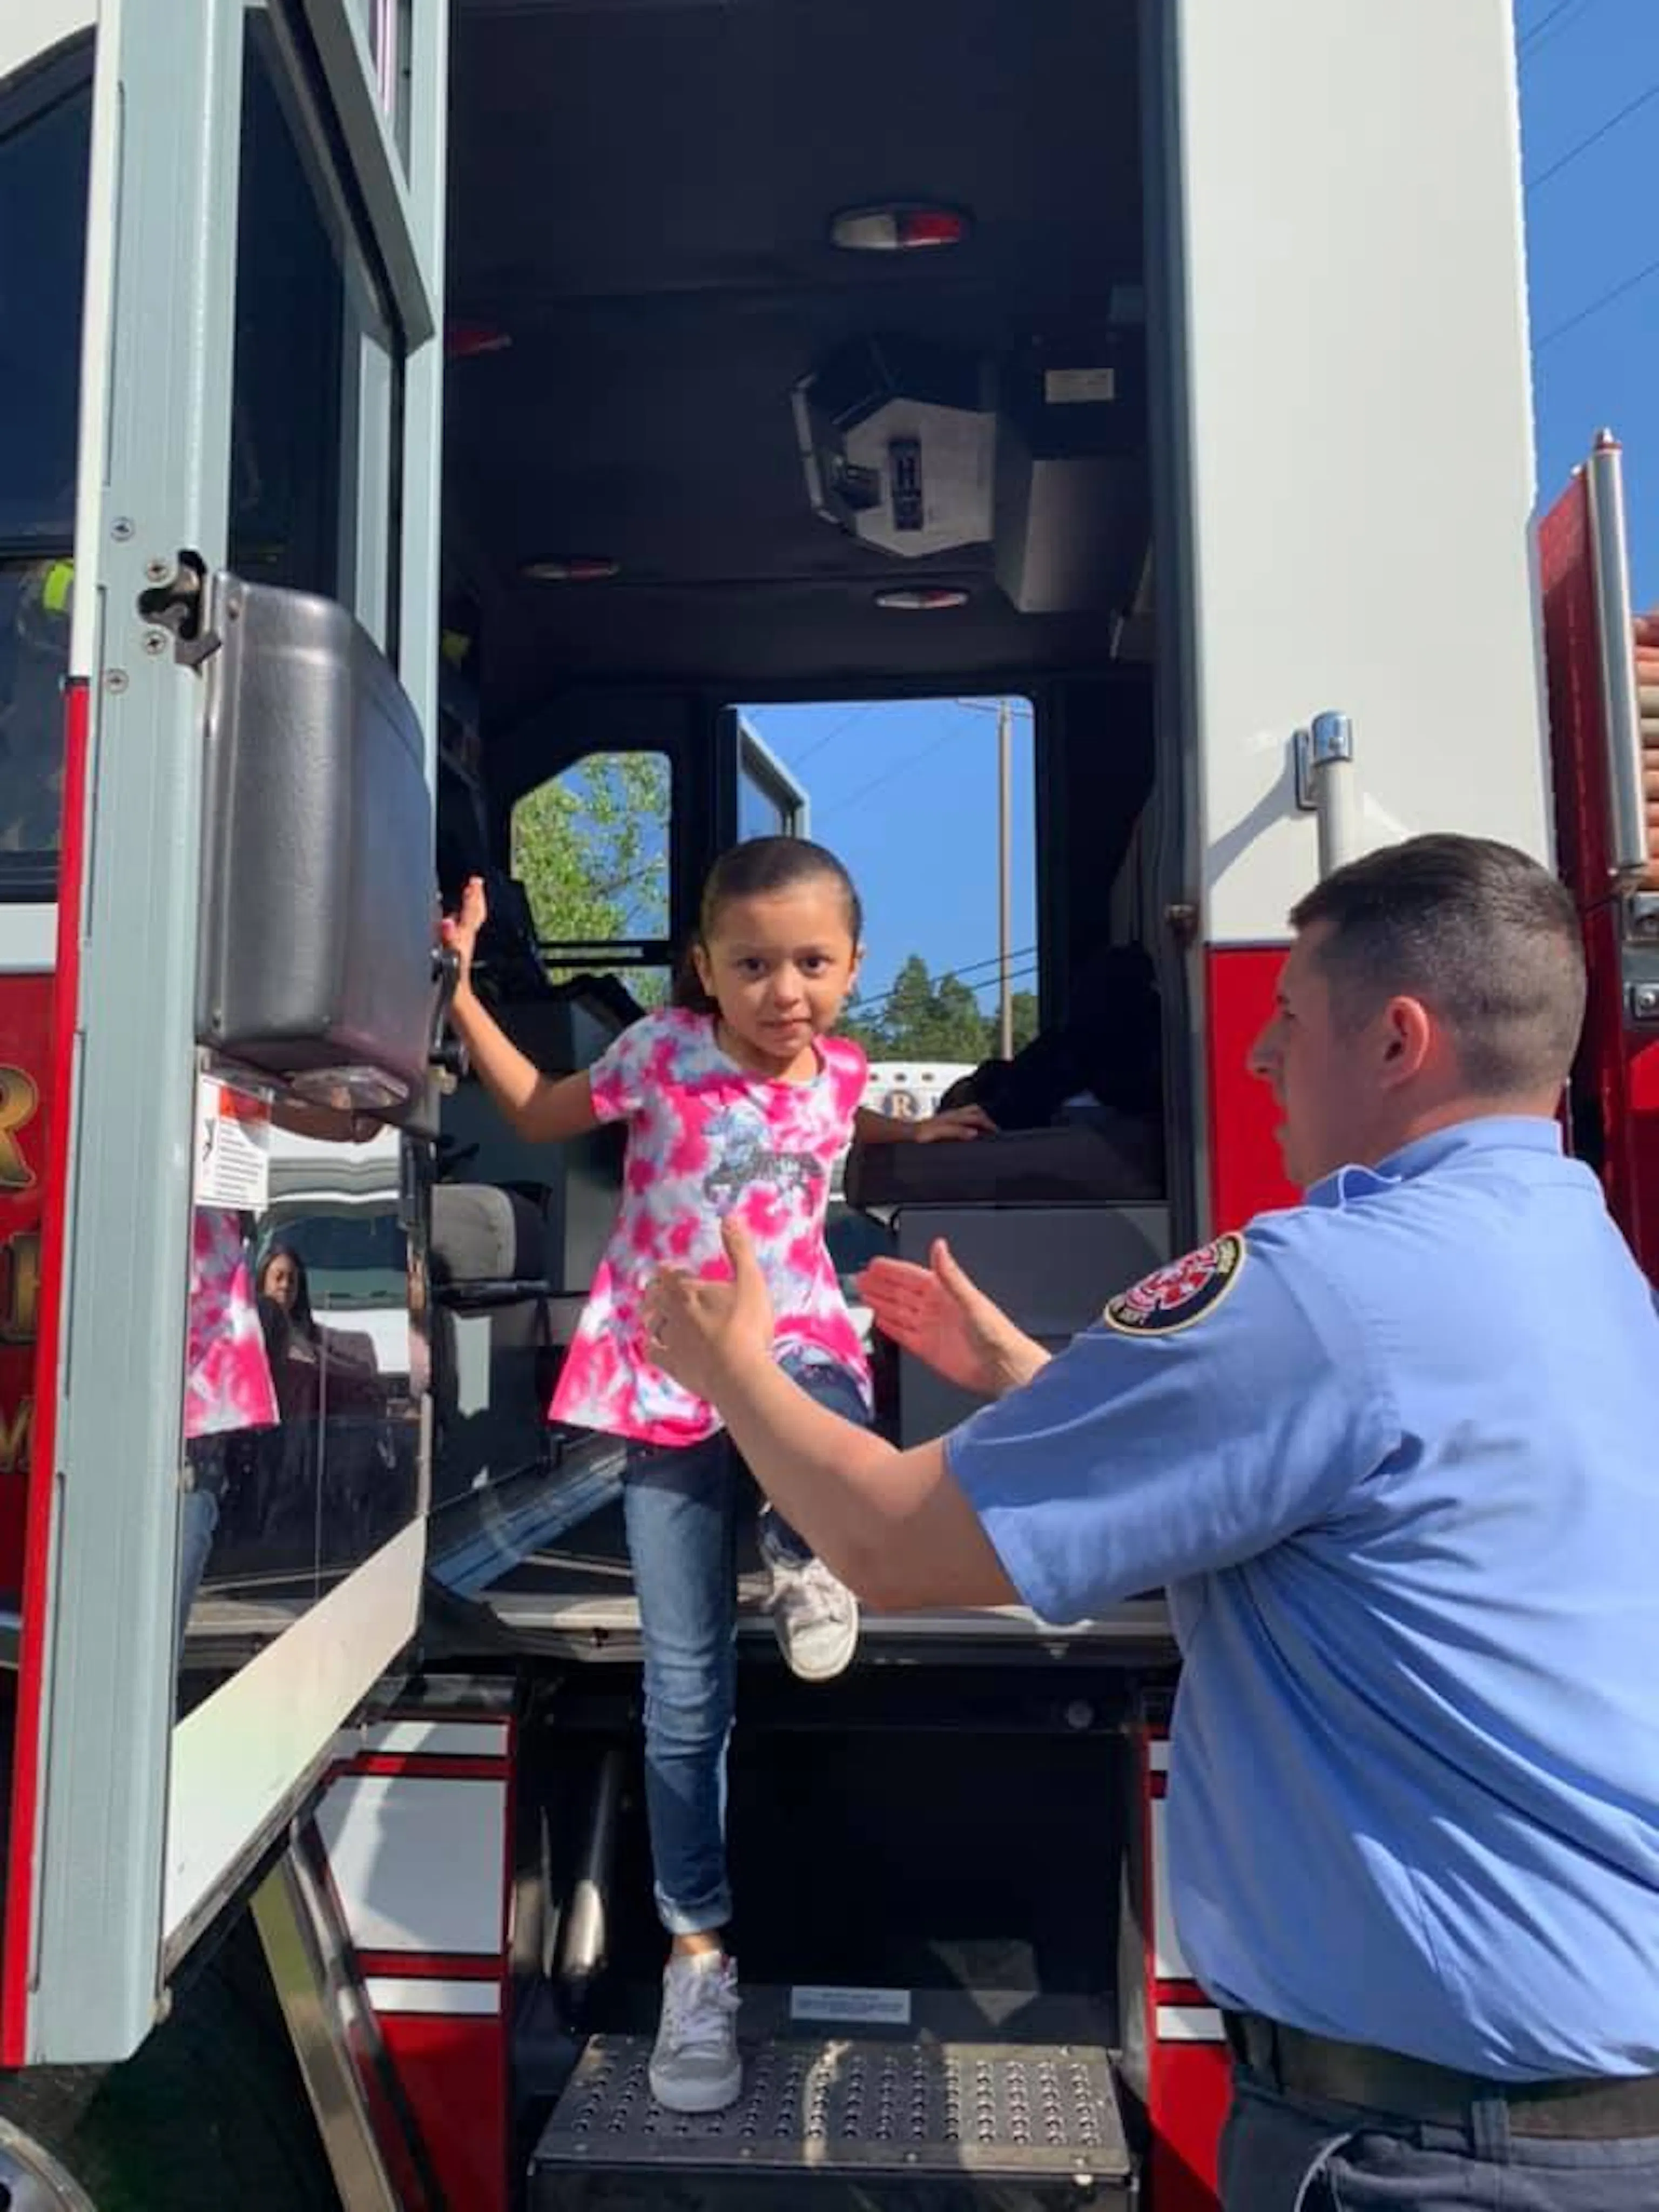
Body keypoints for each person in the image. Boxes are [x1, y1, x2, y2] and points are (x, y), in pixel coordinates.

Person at [643, 833, 1659, 2212]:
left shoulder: (1321, 1290)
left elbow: (884, 1544)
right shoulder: (1578, 1258)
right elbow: (1319, 1477)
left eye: (1288, 1016)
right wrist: (1030, 1379)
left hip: (1433, 2148)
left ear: (1398, 1039)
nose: (1258, 1056)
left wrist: (731, 1369)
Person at [440, 834, 987, 2115]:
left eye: (812, 963)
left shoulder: (843, 1068)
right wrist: (459, 991)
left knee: (839, 1424)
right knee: (686, 1692)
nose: (783, 990)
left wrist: (921, 1125)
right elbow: (539, 1110)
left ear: (853, 965)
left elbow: (844, 1122)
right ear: (704, 966)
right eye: (752, 965)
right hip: (669, 1369)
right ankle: (698, 1957)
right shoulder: (660, 1053)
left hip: (793, 1342)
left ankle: (806, 1549)